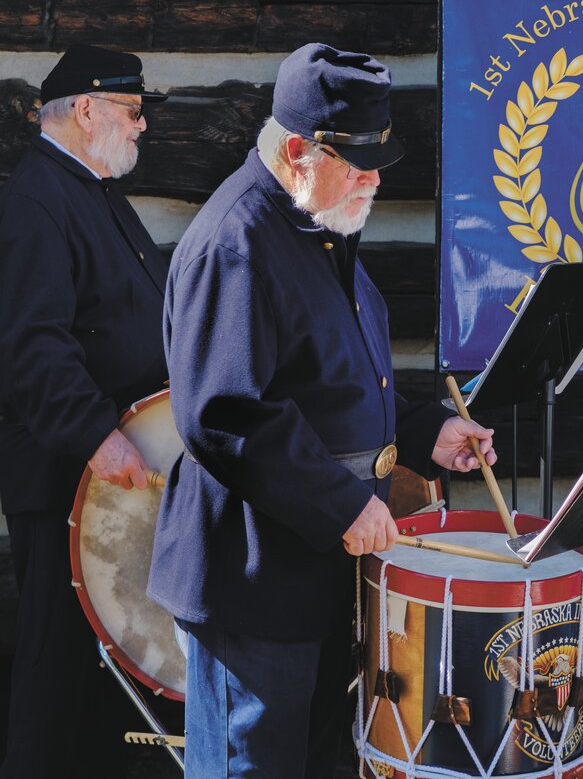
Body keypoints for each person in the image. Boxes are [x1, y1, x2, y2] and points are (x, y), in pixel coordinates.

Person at [147, 42, 496, 779]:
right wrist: (341, 504)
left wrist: (427, 429)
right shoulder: (235, 242)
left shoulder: (320, 216)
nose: (374, 179)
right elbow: (225, 413)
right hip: (252, 577)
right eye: (358, 162)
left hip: (316, 569)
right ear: (298, 150)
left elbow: (335, 381)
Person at [0, 44, 169, 778]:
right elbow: (32, 343)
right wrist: (98, 437)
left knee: (99, 667)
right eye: (131, 112)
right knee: (56, 666)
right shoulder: (38, 198)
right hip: (67, 475)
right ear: (88, 110)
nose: (141, 127)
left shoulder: (92, 189)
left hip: (105, 477)